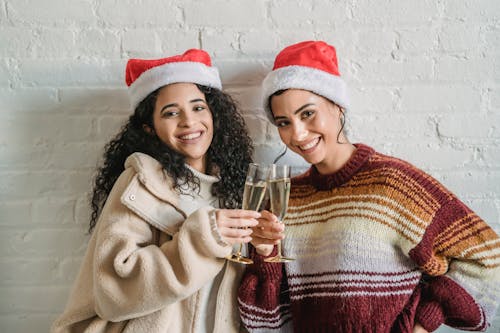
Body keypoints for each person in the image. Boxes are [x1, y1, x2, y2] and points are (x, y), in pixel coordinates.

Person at [238, 41, 500, 333]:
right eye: (283, 122)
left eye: (308, 113)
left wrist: (425, 321)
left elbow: (488, 259)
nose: (297, 134)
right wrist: (264, 255)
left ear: (337, 106)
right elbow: (267, 321)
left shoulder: (393, 184)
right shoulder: (285, 197)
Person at [51, 49, 261, 333]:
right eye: (171, 112)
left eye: (198, 107)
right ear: (150, 128)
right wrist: (202, 239)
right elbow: (113, 290)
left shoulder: (237, 188)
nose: (188, 121)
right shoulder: (140, 183)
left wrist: (264, 250)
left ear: (214, 114)